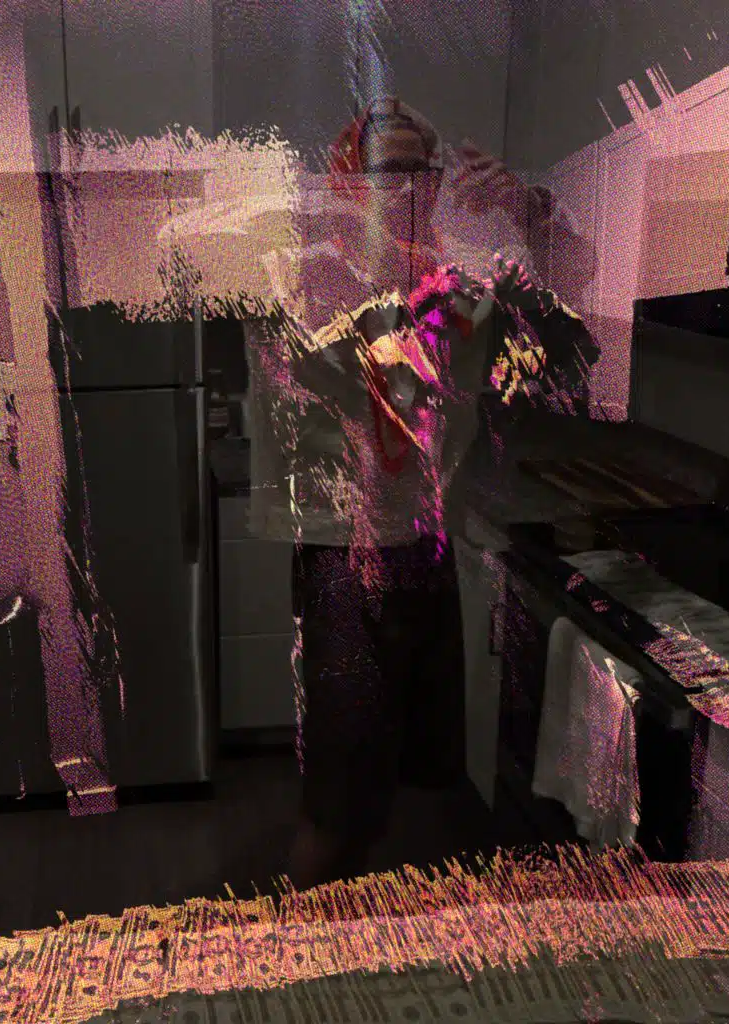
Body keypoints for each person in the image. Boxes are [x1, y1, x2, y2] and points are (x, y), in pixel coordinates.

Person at [243, 96, 599, 890]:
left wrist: (528, 208)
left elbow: (574, 278)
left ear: (435, 182)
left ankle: (383, 934)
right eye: (382, 169)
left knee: (417, 789)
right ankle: (301, 938)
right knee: (338, 811)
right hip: (346, 562)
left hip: (432, 554)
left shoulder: (454, 280)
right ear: (349, 182)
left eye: (415, 168)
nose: (402, 184)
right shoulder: (311, 267)